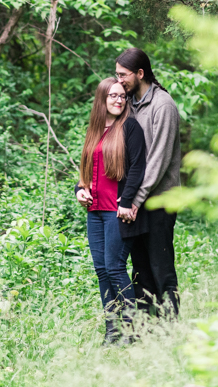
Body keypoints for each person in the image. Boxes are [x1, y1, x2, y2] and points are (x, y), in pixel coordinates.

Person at [75, 77, 147, 343]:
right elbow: (87, 170)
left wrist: (127, 201)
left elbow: (138, 167)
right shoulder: (95, 130)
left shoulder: (130, 127)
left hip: (117, 211)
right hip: (94, 211)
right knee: (101, 270)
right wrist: (79, 190)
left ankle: (132, 331)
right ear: (101, 99)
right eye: (112, 96)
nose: (118, 100)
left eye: (122, 96)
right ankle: (112, 332)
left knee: (115, 268)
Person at [115, 47, 181, 317]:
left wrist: (133, 200)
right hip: (137, 203)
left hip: (159, 201)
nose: (118, 81)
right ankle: (146, 331)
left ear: (140, 74)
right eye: (116, 75)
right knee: (140, 270)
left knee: (161, 267)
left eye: (123, 75)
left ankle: (170, 330)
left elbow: (157, 161)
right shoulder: (131, 105)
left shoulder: (163, 105)